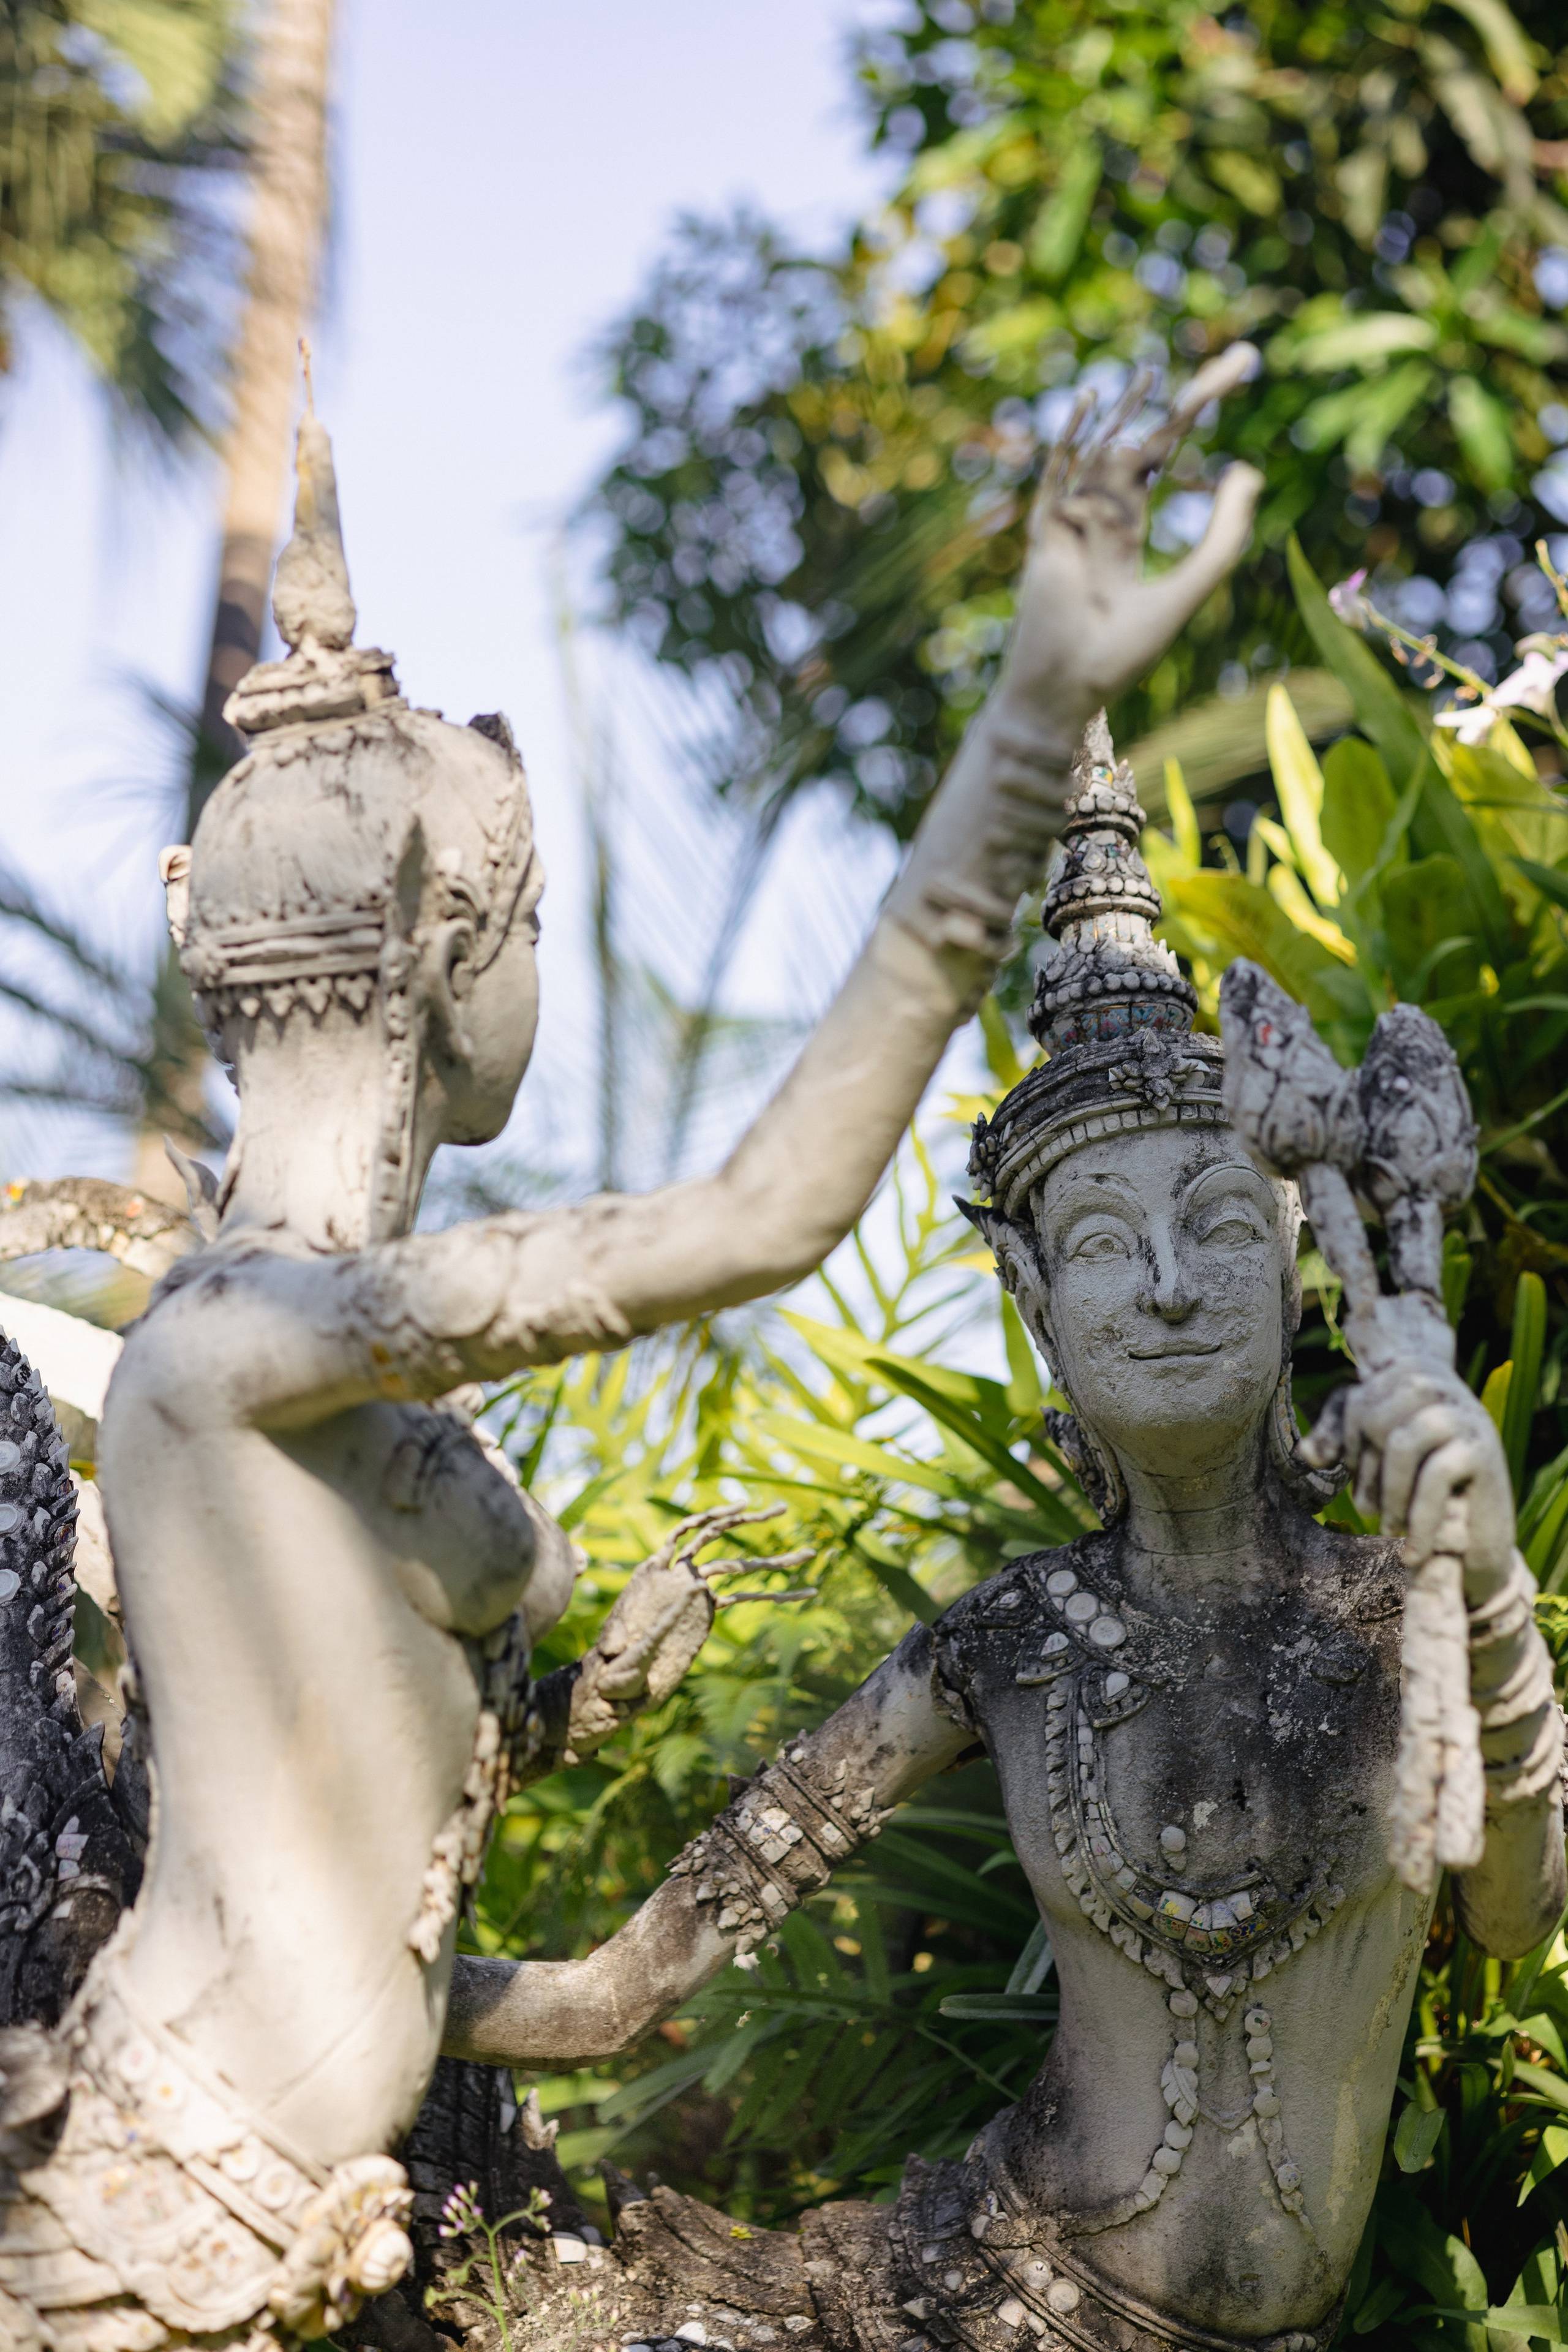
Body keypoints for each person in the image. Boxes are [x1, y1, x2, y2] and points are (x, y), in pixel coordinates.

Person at [0, 349, 1265, 2352]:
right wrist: (1024, 728)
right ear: (438, 937)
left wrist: (572, 1717)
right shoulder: (243, 1337)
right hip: (141, 2254)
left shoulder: (310, 1347)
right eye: (522, 914)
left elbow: (409, 1909)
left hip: (297, 2237)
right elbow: (765, 1219)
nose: (529, 970)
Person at [442, 730, 1565, 2352]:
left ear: (1300, 1268)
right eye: (1107, 1243)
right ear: (1039, 1307)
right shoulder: (1008, 1648)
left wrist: (1499, 1594)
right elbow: (623, 1996)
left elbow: (1529, 1912)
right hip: (993, 2307)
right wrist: (374, 1997)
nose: (1171, 1284)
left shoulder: (1407, 1616)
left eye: (1222, 1225)